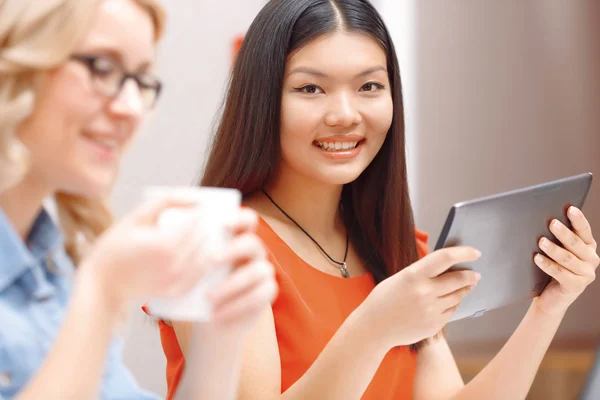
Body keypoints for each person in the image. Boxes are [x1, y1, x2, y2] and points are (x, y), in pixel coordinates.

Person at [156, 0, 599, 399]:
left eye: (369, 87)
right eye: (311, 88)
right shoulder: (213, 242)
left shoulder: (397, 246)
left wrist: (549, 306)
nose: (345, 115)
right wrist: (375, 328)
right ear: (261, 100)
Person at [0, 0, 277, 399]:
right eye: (103, 68)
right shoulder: (88, 284)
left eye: (141, 81)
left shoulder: (52, 272)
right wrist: (102, 292)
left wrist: (219, 336)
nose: (131, 109)